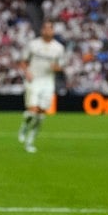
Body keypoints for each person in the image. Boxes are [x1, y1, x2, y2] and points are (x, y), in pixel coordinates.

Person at [17, 20, 64, 153]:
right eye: (45, 28)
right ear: (42, 30)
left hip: (48, 82)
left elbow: (60, 66)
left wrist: (57, 68)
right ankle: (25, 125)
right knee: (32, 111)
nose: (47, 31)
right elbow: (23, 62)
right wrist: (27, 73)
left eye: (50, 28)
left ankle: (30, 141)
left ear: (53, 31)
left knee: (41, 115)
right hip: (34, 80)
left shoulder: (58, 48)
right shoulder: (33, 45)